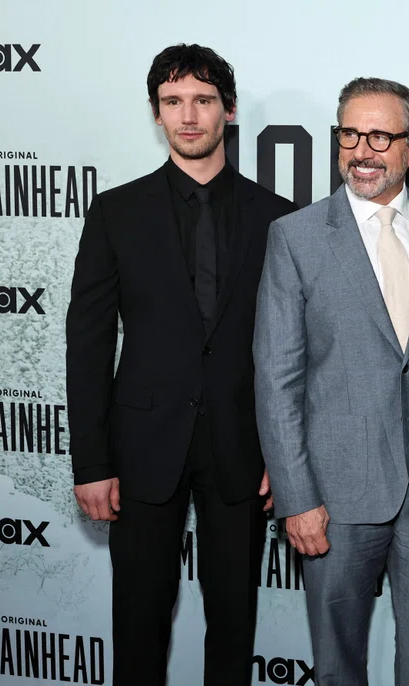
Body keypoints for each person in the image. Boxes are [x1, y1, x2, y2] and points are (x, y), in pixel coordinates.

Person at [66, 43, 295, 686]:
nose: (188, 116)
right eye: (173, 102)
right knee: (137, 623)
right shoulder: (116, 212)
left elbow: (290, 351)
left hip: (241, 450)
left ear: (228, 110)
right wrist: (91, 462)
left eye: (201, 100)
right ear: (156, 113)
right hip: (138, 448)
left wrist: (283, 453)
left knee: (234, 624)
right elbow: (86, 343)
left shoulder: (276, 218)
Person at [253, 77, 409, 686]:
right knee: (337, 666)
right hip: (334, 497)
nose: (361, 150)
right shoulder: (296, 236)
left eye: (379, 136)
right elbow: (277, 375)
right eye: (349, 134)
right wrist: (297, 497)